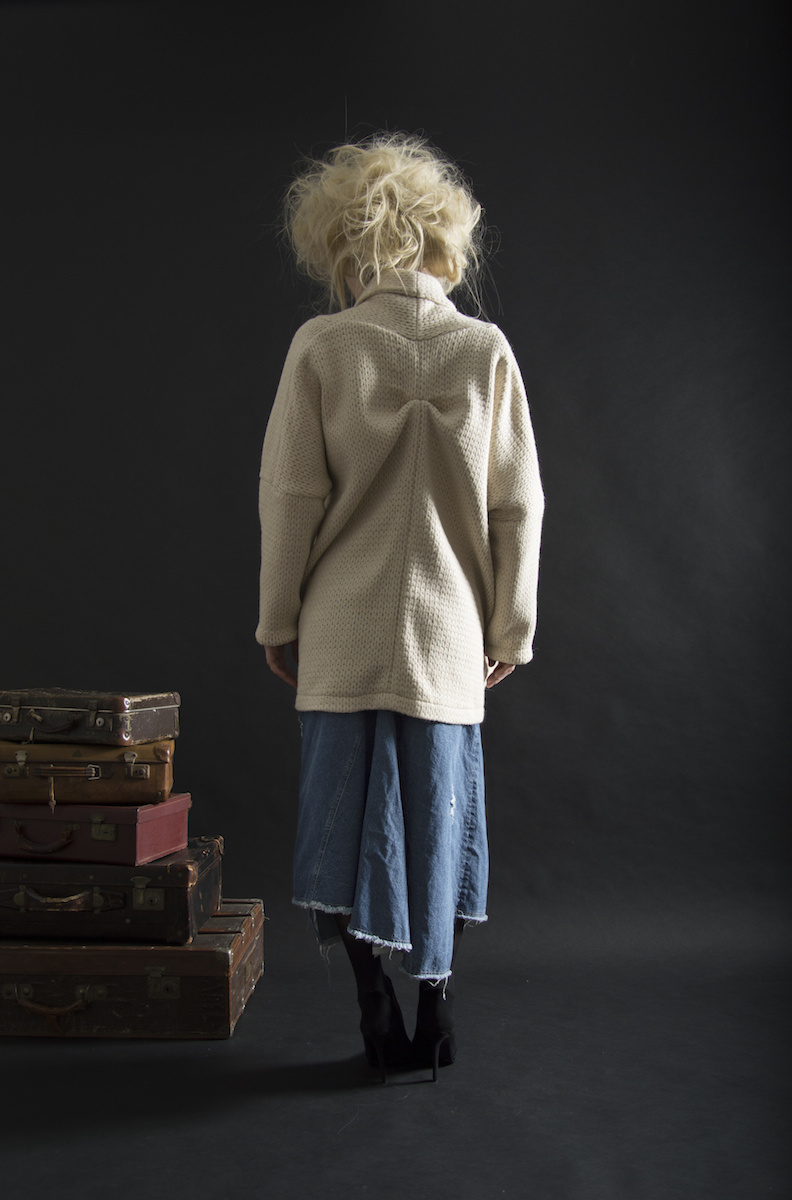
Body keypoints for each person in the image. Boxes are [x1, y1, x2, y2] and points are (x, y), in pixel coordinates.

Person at [256, 132, 544, 1082]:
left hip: (342, 633)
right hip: (449, 639)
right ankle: (437, 1002)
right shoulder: (484, 349)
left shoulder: (323, 346)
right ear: (444, 240)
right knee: (438, 821)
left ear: (344, 242)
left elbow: (290, 496)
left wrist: (277, 619)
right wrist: (510, 629)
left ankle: (369, 997)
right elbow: (518, 504)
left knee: (345, 823)